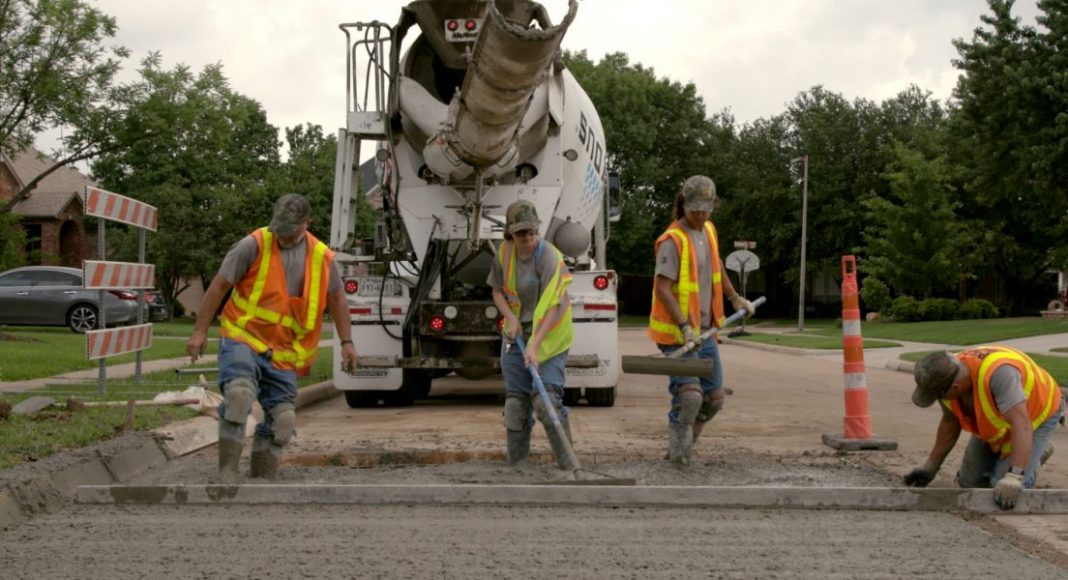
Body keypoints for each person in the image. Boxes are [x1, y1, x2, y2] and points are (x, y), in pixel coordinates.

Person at [187, 193, 359, 483]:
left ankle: (261, 479)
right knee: (239, 396)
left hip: (284, 350)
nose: (283, 237)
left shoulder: (321, 258)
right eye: (280, 229)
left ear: (307, 224)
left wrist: (347, 342)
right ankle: (227, 476)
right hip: (244, 336)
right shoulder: (253, 245)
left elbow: (338, 299)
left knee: (284, 420)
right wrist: (200, 330)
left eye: (290, 232)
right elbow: (219, 286)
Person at [648, 175, 755, 467]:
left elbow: (715, 264)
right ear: (683, 205)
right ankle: (678, 457)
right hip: (678, 335)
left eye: (706, 210)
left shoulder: (708, 230)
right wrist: (684, 326)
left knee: (714, 399)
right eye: (695, 210)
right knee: (690, 397)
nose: (701, 216)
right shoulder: (672, 240)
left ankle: (683, 448)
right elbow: (662, 288)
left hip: (705, 333)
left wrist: (735, 297)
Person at [905, 347, 1064, 509]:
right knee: (969, 485)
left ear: (956, 387)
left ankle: (1037, 452)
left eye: (938, 396)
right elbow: (950, 421)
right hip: (1005, 421)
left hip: (1034, 416)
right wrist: (931, 466)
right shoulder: (946, 375)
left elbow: (1021, 424)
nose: (937, 399)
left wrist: (1015, 475)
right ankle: (1023, 455)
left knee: (1003, 494)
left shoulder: (1000, 375)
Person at [488, 200, 576, 470]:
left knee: (546, 402)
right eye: (520, 233)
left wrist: (535, 345)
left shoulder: (549, 256)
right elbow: (497, 292)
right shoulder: (504, 254)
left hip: (550, 337)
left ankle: (569, 465)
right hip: (516, 336)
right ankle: (518, 467)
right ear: (510, 233)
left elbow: (554, 306)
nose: (527, 237)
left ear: (537, 229)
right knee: (515, 406)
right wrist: (511, 318)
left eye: (531, 231)